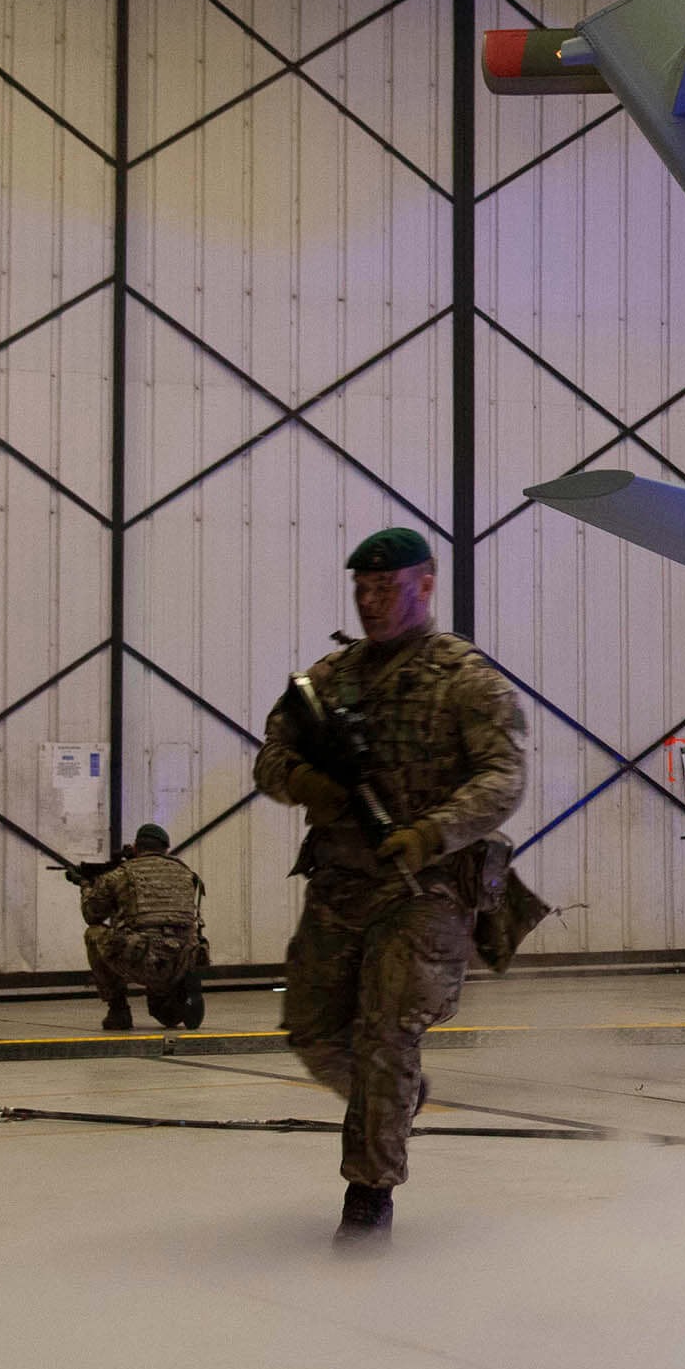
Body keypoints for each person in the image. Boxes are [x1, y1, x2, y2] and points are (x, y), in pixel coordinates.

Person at [256, 527, 528, 1245]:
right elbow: (272, 755)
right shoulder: (332, 679)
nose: (373, 602)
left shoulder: (466, 680)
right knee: (312, 1031)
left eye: (388, 588)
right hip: (342, 882)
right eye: (363, 590)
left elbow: (504, 778)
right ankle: (396, 1098)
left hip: (426, 887)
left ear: (425, 585)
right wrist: (306, 781)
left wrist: (433, 831)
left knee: (385, 1036)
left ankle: (369, 1192)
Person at [79, 823, 207, 1032]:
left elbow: (92, 914)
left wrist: (86, 887)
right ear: (165, 849)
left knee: (94, 934)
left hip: (141, 960)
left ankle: (118, 1009)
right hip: (181, 961)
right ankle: (167, 994)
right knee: (173, 934)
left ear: (136, 847)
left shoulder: (120, 874)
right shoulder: (186, 873)